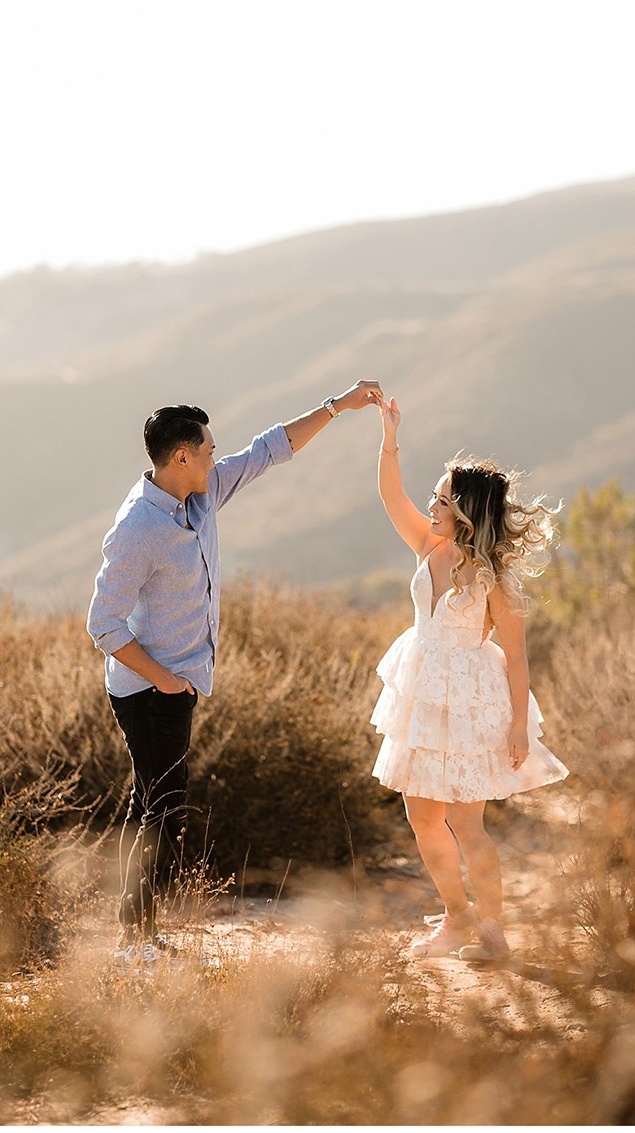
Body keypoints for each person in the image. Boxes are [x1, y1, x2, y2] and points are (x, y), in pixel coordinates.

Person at [86, 384, 383, 949]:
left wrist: (337, 407)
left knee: (149, 801)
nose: (216, 458)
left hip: (174, 683)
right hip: (148, 692)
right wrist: (165, 679)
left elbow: (270, 449)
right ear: (181, 458)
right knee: (166, 812)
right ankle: (137, 942)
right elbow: (102, 624)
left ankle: (131, 935)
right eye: (208, 450)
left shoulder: (202, 493)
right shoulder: (136, 529)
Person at [369, 396, 568, 964]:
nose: (430, 505)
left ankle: (496, 934)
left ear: (464, 509)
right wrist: (390, 436)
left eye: (441, 498)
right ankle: (457, 918)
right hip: (422, 689)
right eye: (433, 496)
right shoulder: (429, 545)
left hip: (470, 699)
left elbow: (518, 657)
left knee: (465, 819)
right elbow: (388, 494)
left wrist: (517, 730)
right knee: (421, 813)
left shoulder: (494, 578)